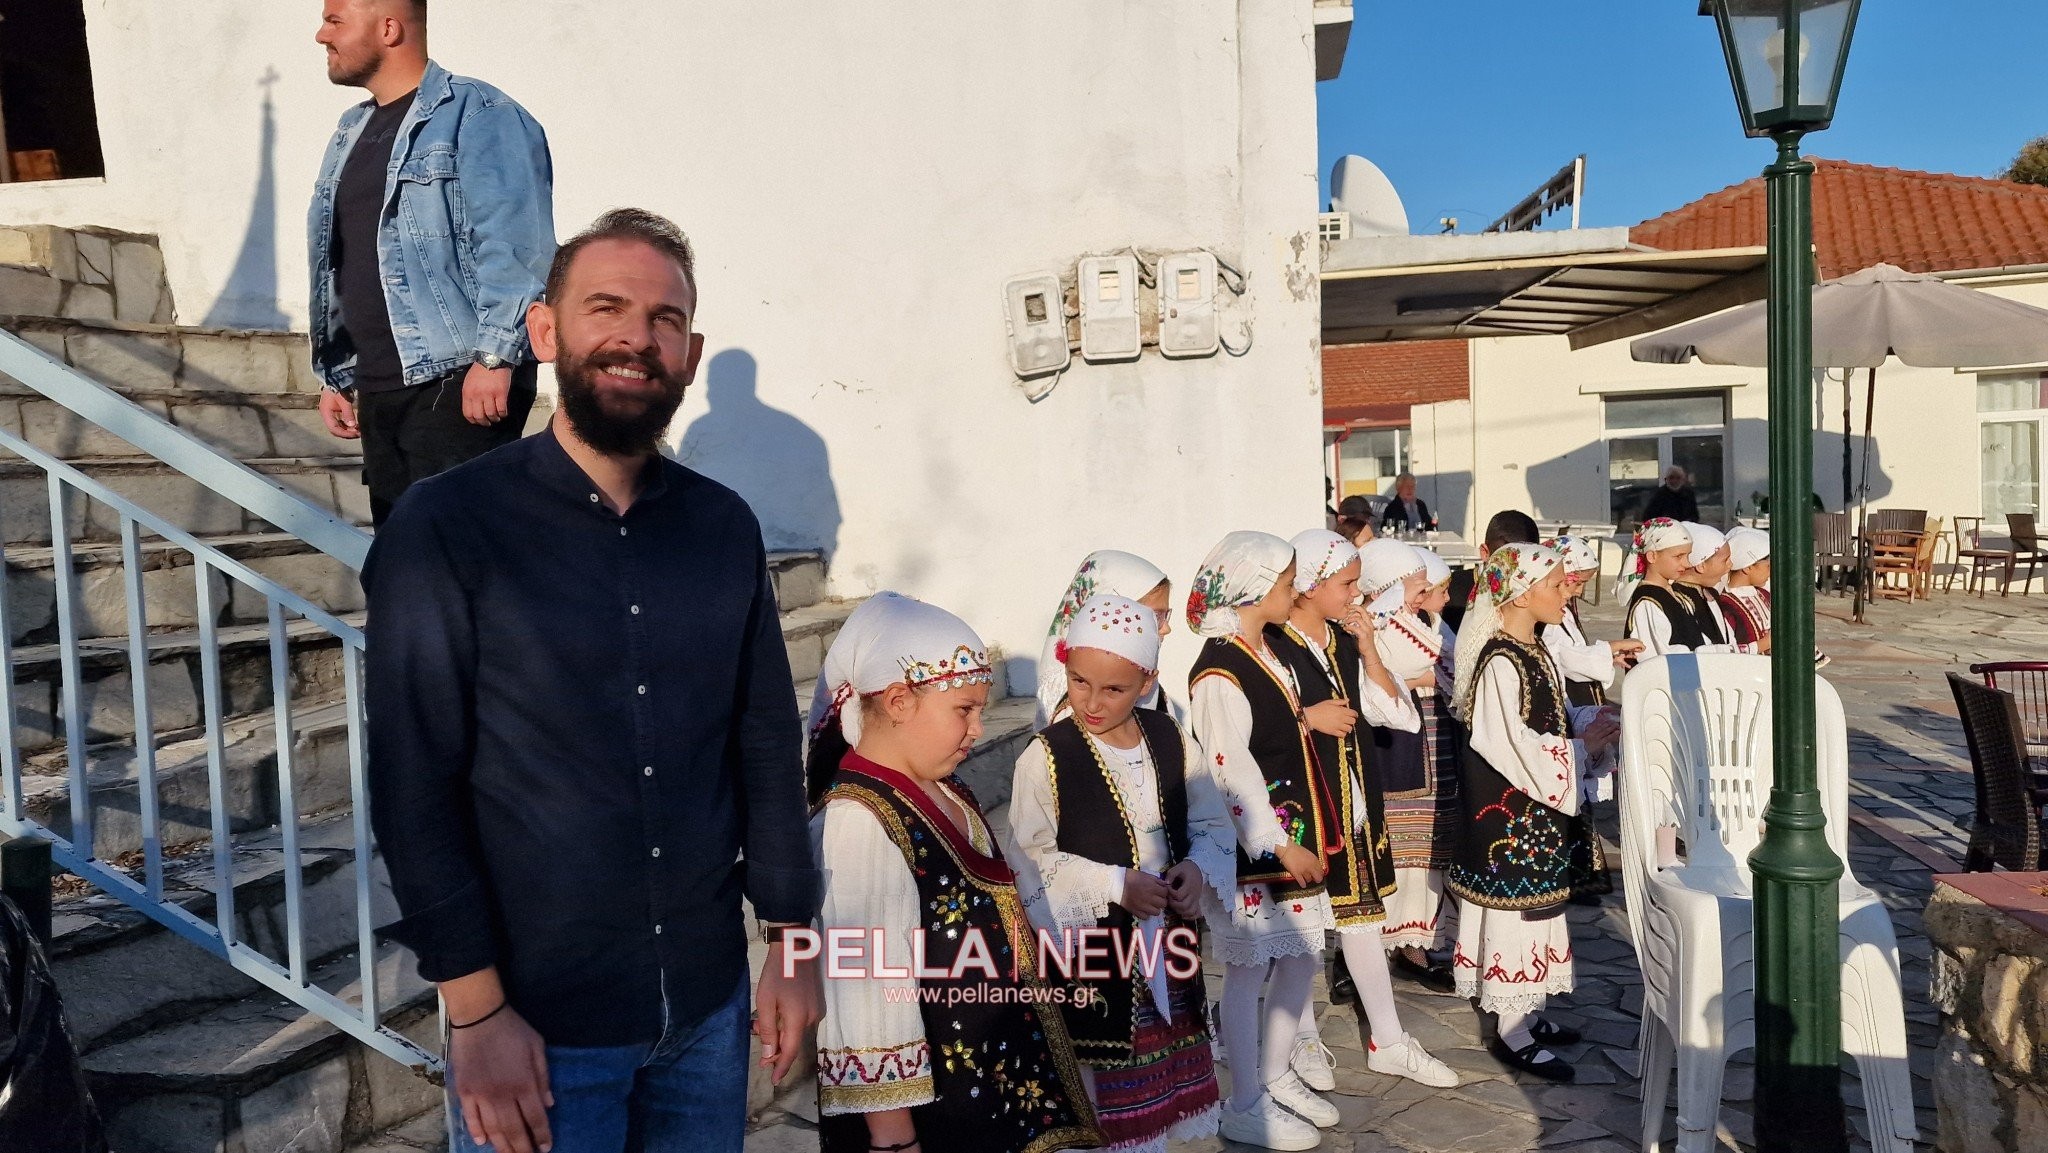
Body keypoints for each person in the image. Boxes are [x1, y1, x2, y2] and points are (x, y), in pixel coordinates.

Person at [365, 209, 820, 1153]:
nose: (634, 337)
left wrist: (793, 940)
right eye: (605, 307)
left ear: (689, 353)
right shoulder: (445, 526)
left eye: (663, 319)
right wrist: (475, 1011)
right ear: (544, 331)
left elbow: (766, 742)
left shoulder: (723, 527)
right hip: (538, 1027)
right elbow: (415, 782)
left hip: (705, 1007)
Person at [808, 593, 1099, 1153]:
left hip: (981, 1084)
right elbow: (867, 991)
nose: (977, 728)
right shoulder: (861, 822)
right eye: (963, 710)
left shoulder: (942, 788)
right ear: (897, 701)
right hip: (927, 1115)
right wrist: (894, 1140)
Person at [311, 0, 556, 525]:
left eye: (334, 21)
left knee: (464, 564)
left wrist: (496, 357)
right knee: (402, 567)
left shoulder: (479, 113)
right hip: (379, 386)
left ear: (389, 28)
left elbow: (516, 239)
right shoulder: (350, 131)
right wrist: (337, 374)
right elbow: (343, 260)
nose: (320, 35)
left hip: (455, 378)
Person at [1007, 594, 1230, 1153]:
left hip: (1168, 949)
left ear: (1147, 680)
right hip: (1098, 963)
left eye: (1114, 689)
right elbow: (1029, 859)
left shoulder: (1170, 737)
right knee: (1107, 1111)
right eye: (1080, 682)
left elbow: (1210, 820)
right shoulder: (1046, 756)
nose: (1093, 701)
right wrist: (1113, 885)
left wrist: (1197, 869)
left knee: (1159, 1109)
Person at [1270, 532, 1459, 1096]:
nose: (1358, 594)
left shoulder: (1343, 639)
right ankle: (1300, 1037)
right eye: (1348, 584)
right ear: (1309, 586)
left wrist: (1370, 648)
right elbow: (1244, 726)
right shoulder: (1272, 646)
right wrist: (1305, 718)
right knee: (1300, 931)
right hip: (1299, 810)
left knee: (1363, 920)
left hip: (1350, 803)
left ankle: (1388, 1040)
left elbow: (1396, 713)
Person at [1185, 531, 1338, 1151]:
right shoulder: (1220, 672)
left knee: (1301, 955)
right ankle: (1246, 1098)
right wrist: (1277, 844)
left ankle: (1274, 1075)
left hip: (1292, 834)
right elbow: (1231, 769)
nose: (1293, 590)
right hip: (1256, 851)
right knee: (1247, 972)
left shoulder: (1265, 650)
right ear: (1250, 589)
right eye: (1283, 582)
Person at [1448, 544, 1618, 1083]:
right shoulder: (1500, 658)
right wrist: (1578, 748)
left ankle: (1529, 1011)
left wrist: (1589, 721)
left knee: (1540, 910)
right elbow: (1504, 741)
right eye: (1555, 584)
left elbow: (1550, 716)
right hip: (1510, 815)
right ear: (1522, 592)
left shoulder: (1533, 648)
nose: (1565, 594)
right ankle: (1511, 1030)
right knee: (1518, 916)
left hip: (1535, 810)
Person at [1358, 540, 1459, 993]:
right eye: (1416, 588)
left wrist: (1423, 677)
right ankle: (1369, 952)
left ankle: (1417, 943)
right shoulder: (1374, 626)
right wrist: (1420, 678)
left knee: (1427, 850)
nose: (1422, 598)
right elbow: (1409, 671)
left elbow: (1441, 667)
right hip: (1393, 746)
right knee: (1394, 849)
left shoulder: (1415, 622)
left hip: (1431, 740)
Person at [1540, 536, 1643, 904]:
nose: (1579, 589)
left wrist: (1606, 654)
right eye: (1575, 581)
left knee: (1579, 790)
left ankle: (1582, 876)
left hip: (1578, 696)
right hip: (1564, 701)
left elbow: (1574, 653)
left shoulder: (1565, 610)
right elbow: (1563, 656)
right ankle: (1572, 875)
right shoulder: (1549, 614)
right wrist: (1609, 650)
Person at [1034, 551, 1173, 729]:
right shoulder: (1080, 710)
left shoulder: (1144, 682)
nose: (1166, 628)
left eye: (1164, 615)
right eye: (1154, 616)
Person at [1621, 518, 1731, 658]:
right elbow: (1661, 657)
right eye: (1678, 556)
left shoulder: (1676, 596)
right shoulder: (1648, 602)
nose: (1686, 563)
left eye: (1688, 556)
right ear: (1652, 556)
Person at [1442, 510, 1540, 632]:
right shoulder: (1450, 591)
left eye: (1525, 563)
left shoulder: (1538, 594)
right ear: (1485, 553)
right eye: (1504, 563)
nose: (1515, 572)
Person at [1677, 523, 1756, 654]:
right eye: (1725, 560)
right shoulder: (1678, 600)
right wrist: (1758, 646)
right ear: (1701, 565)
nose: (1730, 564)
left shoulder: (1711, 593)